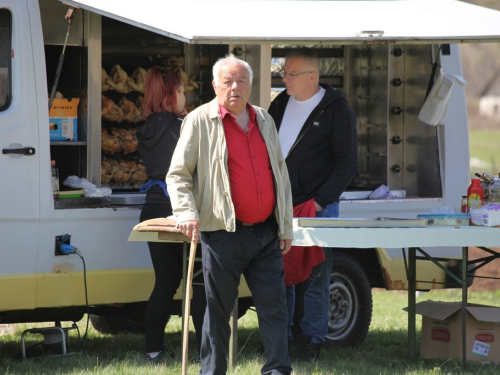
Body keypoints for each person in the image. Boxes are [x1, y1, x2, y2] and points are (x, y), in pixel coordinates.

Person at [166, 55, 294, 375]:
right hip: (223, 232)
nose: (234, 87)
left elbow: (279, 172)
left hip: (265, 232)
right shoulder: (198, 120)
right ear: (215, 85)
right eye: (227, 81)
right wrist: (185, 212)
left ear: (251, 85)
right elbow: (178, 174)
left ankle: (278, 370)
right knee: (219, 311)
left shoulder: (264, 118)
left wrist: (285, 226)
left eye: (240, 81)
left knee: (275, 309)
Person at [268, 47, 358, 361]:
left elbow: (347, 163)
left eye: (291, 74)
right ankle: (285, 336)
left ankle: (312, 339)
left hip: (317, 205)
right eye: (283, 73)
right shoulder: (279, 103)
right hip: (281, 205)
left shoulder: (335, 110)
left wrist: (320, 202)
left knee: (316, 273)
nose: (284, 79)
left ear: (312, 76)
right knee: (282, 273)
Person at [136, 66, 206, 361]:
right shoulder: (183, 125)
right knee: (201, 281)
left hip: (153, 208)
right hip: (182, 210)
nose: (184, 96)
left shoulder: (146, 127)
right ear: (170, 94)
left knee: (165, 282)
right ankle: (206, 352)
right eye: (180, 90)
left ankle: (153, 350)